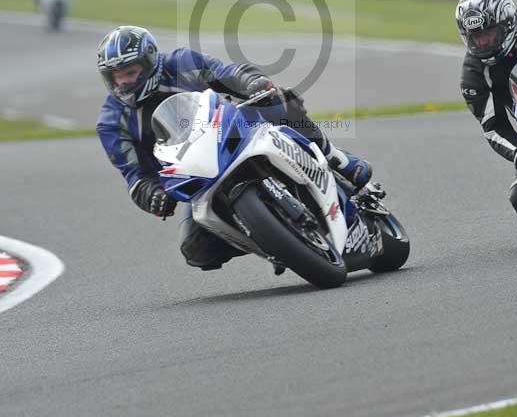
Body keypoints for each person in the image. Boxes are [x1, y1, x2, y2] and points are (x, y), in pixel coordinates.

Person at [96, 25, 373, 270]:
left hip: (236, 130)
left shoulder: (181, 63)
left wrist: (252, 83)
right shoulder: (111, 123)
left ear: (150, 62)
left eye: (130, 73)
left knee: (279, 102)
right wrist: (153, 195)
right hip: (197, 174)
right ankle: (272, 241)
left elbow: (226, 73)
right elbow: (135, 177)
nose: (123, 83)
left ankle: (336, 159)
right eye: (115, 77)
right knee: (196, 250)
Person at [456, 0, 517, 221]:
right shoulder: (474, 75)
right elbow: (493, 126)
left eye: (486, 33)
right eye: (474, 36)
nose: (481, 42)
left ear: (506, 22)